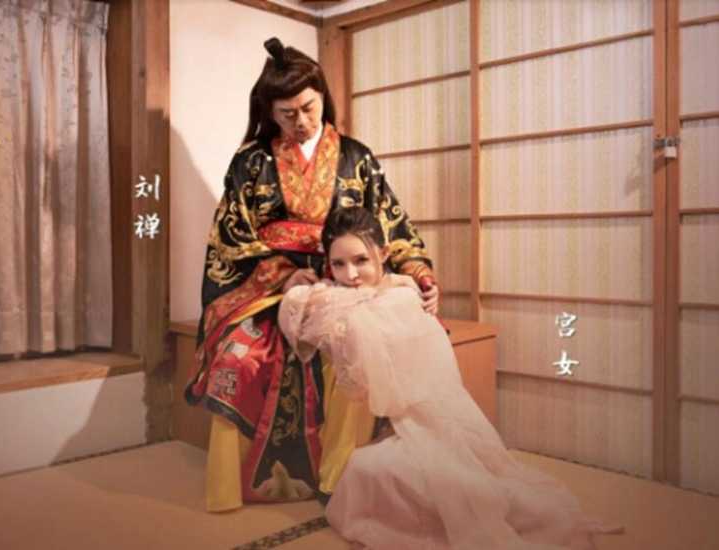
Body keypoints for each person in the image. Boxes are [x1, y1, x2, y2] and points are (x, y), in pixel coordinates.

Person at [184, 37, 438, 512]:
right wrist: (281, 276)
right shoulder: (251, 161)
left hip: (346, 282)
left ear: (322, 96)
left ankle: (340, 479)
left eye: (308, 108)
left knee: (353, 352)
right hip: (266, 286)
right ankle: (235, 485)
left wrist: (418, 272)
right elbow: (230, 234)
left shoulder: (357, 158)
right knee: (239, 358)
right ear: (269, 111)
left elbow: (389, 225)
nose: (300, 121)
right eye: (286, 114)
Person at [278, 207, 624, 550]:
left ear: (383, 254)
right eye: (338, 264)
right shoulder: (335, 298)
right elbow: (298, 308)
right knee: (373, 471)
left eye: (361, 260)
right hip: (376, 426)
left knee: (439, 485)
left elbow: (389, 377)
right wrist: (292, 281)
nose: (351, 274)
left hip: (417, 420)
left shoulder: (399, 296)